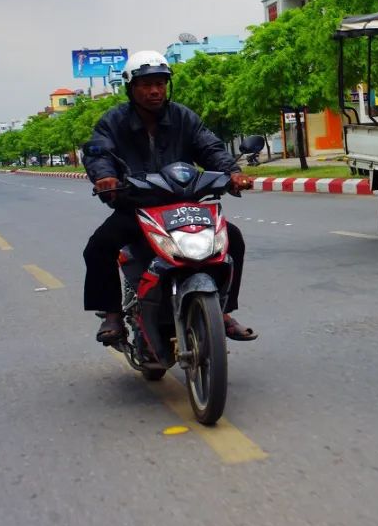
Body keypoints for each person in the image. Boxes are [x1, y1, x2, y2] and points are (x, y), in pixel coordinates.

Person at [82, 50, 257, 345]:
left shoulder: (182, 117)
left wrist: (233, 173)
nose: (154, 90)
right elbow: (99, 152)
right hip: (138, 206)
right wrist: (104, 178)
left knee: (233, 239)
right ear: (130, 87)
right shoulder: (113, 122)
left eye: (160, 83)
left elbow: (210, 147)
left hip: (184, 203)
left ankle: (223, 311)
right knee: (98, 247)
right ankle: (112, 314)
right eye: (146, 84)